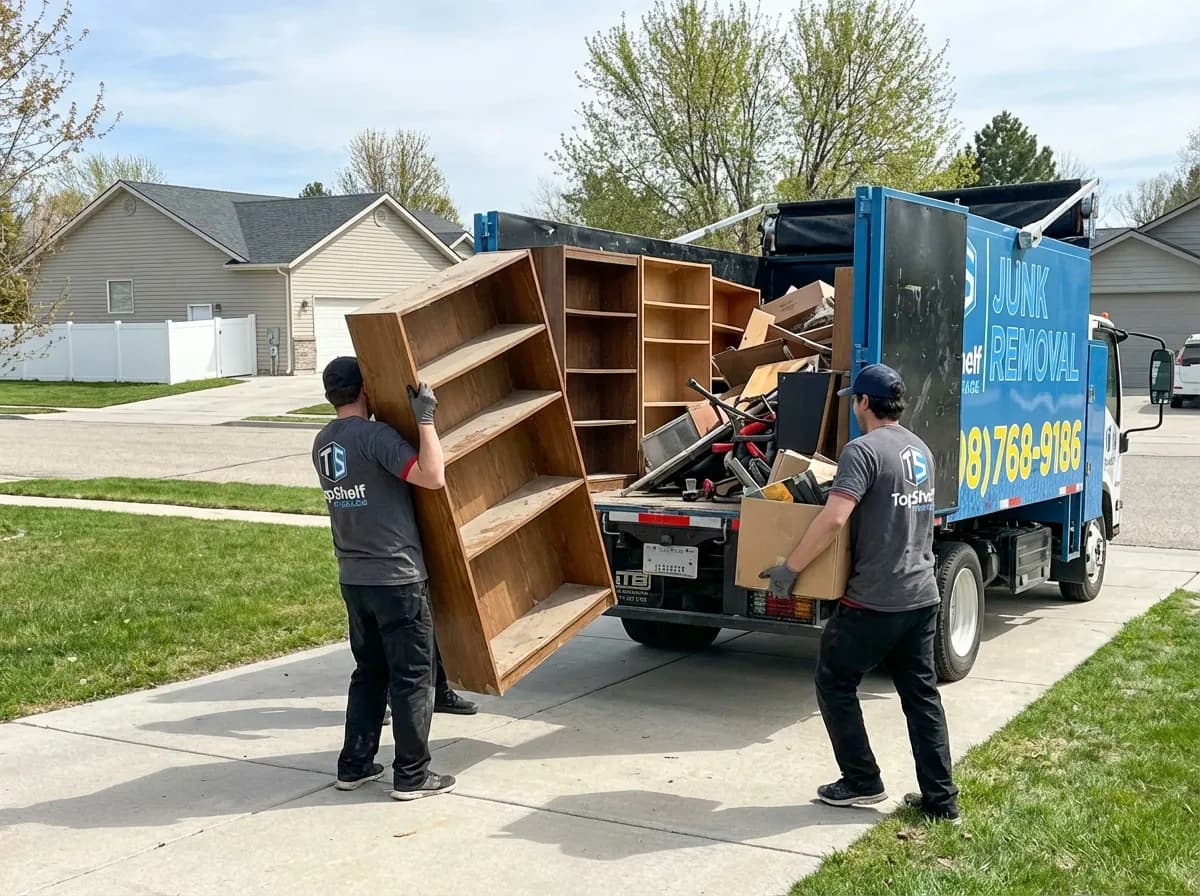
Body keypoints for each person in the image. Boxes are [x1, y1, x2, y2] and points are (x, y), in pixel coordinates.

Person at [759, 363, 961, 825]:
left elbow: (833, 520)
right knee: (922, 697)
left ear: (864, 403)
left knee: (834, 679)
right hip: (921, 593)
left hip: (876, 597)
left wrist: (790, 569)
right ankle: (941, 800)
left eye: (854, 399)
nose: (853, 406)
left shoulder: (862, 451)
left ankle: (862, 779)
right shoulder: (919, 448)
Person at [313, 356, 456, 801]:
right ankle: (413, 775)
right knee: (412, 676)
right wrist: (426, 420)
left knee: (369, 672)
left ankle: (354, 765)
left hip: (353, 577)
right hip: (396, 576)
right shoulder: (375, 437)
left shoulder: (322, 441)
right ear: (366, 389)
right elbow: (432, 476)